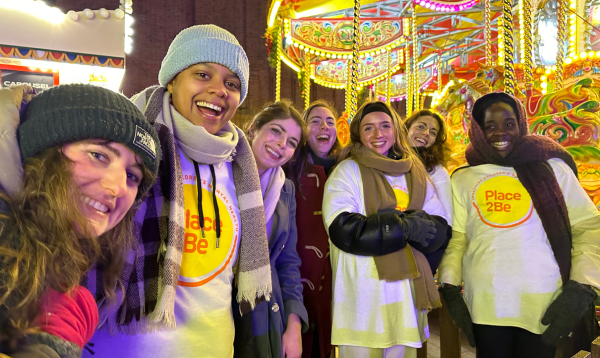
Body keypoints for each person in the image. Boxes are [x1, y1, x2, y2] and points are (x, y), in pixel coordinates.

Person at [85, 24, 272, 358]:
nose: (219, 90)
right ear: (172, 80)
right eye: (203, 74)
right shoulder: (129, 146)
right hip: (124, 346)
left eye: (232, 83)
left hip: (212, 346)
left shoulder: (240, 164)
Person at [0, 84, 160, 358]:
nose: (118, 187)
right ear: (44, 150)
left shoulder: (49, 264)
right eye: (98, 155)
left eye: (132, 176)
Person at [438, 92, 600, 358]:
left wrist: (581, 286)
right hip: (486, 302)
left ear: (521, 124)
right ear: (478, 129)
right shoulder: (463, 177)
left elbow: (587, 227)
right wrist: (450, 286)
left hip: (542, 300)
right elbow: (458, 238)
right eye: (490, 126)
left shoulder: (552, 168)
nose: (500, 132)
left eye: (509, 124)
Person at [322, 101, 451, 358]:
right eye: (369, 128)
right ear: (359, 133)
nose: (378, 134)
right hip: (362, 296)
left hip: (406, 297)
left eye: (385, 126)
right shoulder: (347, 171)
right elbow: (344, 229)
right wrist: (404, 225)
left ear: (396, 131)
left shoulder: (415, 173)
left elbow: (440, 227)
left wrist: (392, 223)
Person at [233, 100, 308, 358]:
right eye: (276, 131)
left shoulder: (284, 189)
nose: (281, 144)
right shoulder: (220, 172)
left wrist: (294, 323)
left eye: (291, 142)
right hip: (216, 297)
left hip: (261, 306)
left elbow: (287, 260)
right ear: (253, 129)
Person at [290, 100, 338, 358]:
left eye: (330, 121)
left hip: (333, 272)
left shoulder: (346, 168)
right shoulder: (291, 168)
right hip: (298, 269)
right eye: (316, 121)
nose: (324, 126)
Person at [404, 109, 453, 273]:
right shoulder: (389, 160)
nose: (425, 133)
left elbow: (448, 214)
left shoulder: (436, 171)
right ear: (407, 128)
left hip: (424, 239)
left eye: (433, 132)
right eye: (420, 126)